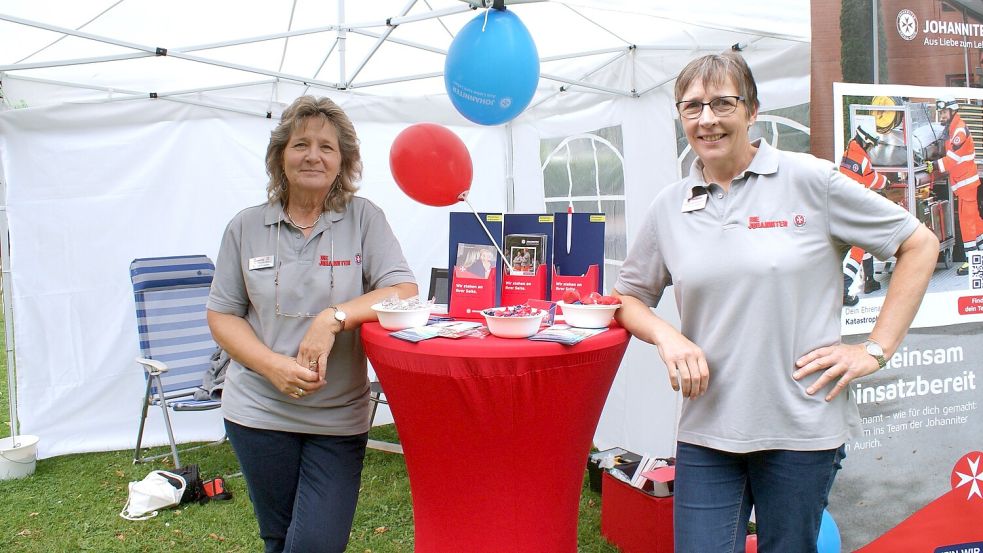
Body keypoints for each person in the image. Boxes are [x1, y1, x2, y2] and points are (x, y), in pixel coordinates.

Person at [613, 52, 939, 552]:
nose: (707, 120)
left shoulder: (811, 181)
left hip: (801, 429)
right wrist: (667, 335)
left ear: (752, 110)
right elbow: (629, 297)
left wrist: (875, 349)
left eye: (722, 103)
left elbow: (918, 244)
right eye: (692, 107)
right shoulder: (670, 206)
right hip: (708, 429)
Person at [206, 95, 418, 553]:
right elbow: (222, 313)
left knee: (317, 543)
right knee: (278, 538)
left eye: (327, 146)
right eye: (301, 143)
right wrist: (271, 366)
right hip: (258, 410)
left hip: (338, 416)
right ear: (281, 155)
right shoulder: (246, 227)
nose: (313, 155)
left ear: (342, 161)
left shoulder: (364, 219)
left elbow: (402, 290)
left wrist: (334, 317)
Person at [839, 124, 890, 305]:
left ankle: (869, 280)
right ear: (865, 140)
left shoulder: (849, 151)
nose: (871, 148)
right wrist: (888, 182)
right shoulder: (861, 159)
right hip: (855, 209)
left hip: (844, 207)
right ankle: (843, 290)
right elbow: (873, 180)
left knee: (864, 242)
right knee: (858, 250)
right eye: (870, 145)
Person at [932, 95, 983, 275]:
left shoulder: (959, 131)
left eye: (944, 112)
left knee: (967, 221)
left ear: (953, 111)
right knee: (975, 220)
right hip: (964, 183)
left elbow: (952, 159)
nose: (942, 116)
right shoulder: (953, 129)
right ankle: (980, 254)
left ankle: (972, 262)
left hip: (965, 184)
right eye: (941, 113)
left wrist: (933, 165)